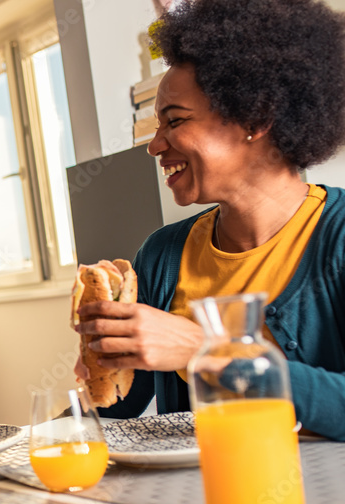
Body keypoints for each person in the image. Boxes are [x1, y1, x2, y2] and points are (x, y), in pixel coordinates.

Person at [75, 0, 345, 440]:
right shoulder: (163, 254)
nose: (155, 145)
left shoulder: (338, 235)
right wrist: (100, 356)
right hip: (205, 499)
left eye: (175, 121)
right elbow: (117, 410)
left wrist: (205, 350)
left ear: (254, 118)